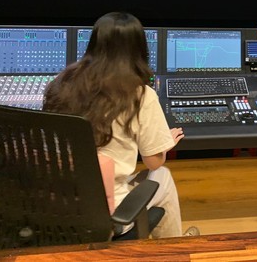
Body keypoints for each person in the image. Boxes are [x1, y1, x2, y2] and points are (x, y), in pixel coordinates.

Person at [43, 12, 198, 238]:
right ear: (139, 49)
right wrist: (163, 144)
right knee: (162, 175)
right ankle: (175, 248)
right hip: (106, 213)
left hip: (54, 203)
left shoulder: (61, 84)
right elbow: (153, 162)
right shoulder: (140, 95)